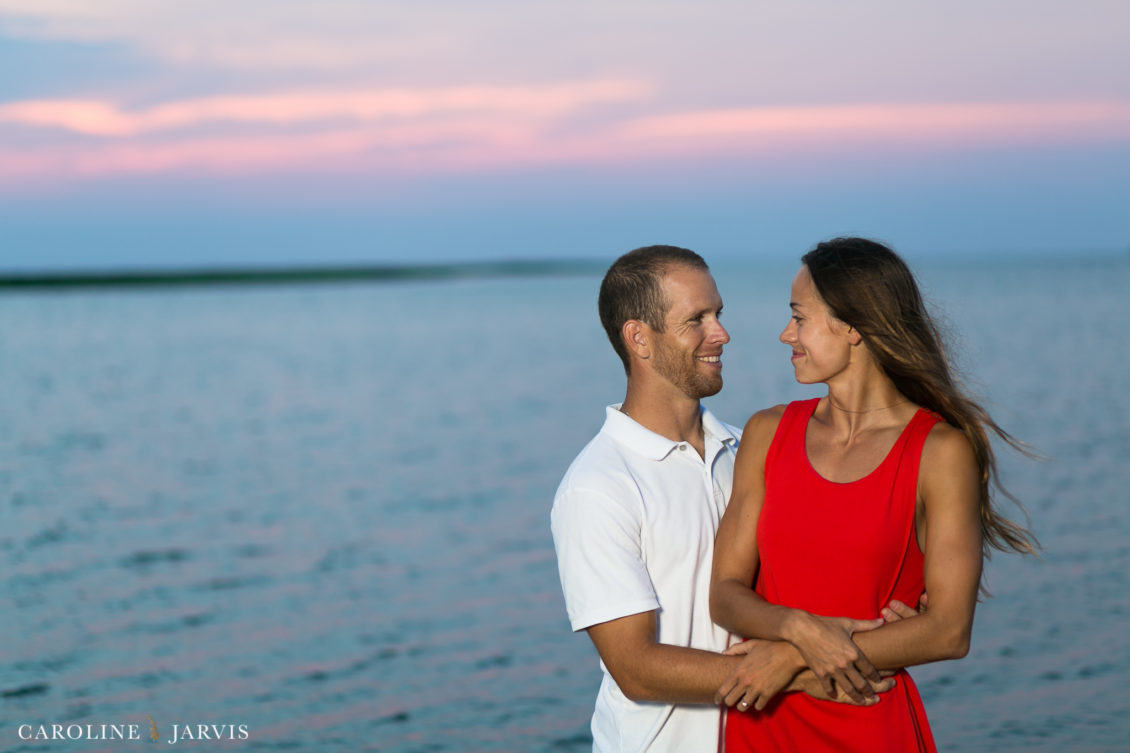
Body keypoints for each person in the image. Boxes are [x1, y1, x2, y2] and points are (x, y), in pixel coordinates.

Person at [551, 245, 906, 753]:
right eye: (696, 319)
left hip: (778, 738)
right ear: (638, 338)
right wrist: (798, 672)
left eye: (718, 314)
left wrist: (892, 617)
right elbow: (635, 668)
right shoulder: (598, 486)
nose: (721, 333)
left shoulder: (753, 451)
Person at [710, 237, 1038, 752]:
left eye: (799, 317)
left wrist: (793, 655)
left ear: (855, 326)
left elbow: (949, 631)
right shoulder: (768, 432)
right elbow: (725, 593)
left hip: (867, 718)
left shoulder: (939, 452)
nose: (784, 334)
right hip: (765, 724)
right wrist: (799, 629)